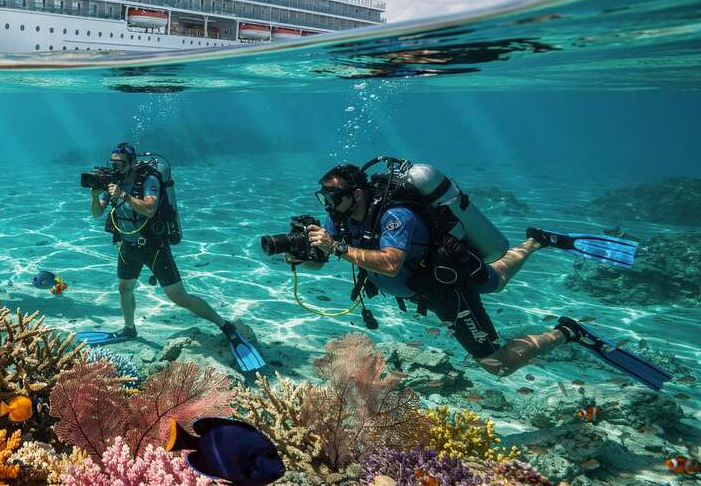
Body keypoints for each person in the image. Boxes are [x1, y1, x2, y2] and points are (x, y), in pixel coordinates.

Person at [287, 160, 669, 389]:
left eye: (334, 197)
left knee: (497, 364)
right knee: (496, 280)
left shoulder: (394, 216)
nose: (328, 205)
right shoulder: (339, 220)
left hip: (445, 287)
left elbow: (389, 262)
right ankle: (537, 241)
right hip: (437, 277)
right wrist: (300, 257)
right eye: (325, 198)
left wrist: (337, 248)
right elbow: (323, 259)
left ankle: (568, 332)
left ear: (357, 193)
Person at [78, 142, 266, 372]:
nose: (116, 168)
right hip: (127, 245)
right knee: (124, 289)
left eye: (121, 164)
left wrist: (123, 195)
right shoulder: (112, 182)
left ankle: (226, 326)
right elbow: (97, 213)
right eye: (113, 163)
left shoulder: (149, 180)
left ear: (133, 163)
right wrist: (95, 195)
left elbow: (149, 209)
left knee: (179, 296)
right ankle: (129, 329)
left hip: (153, 246)